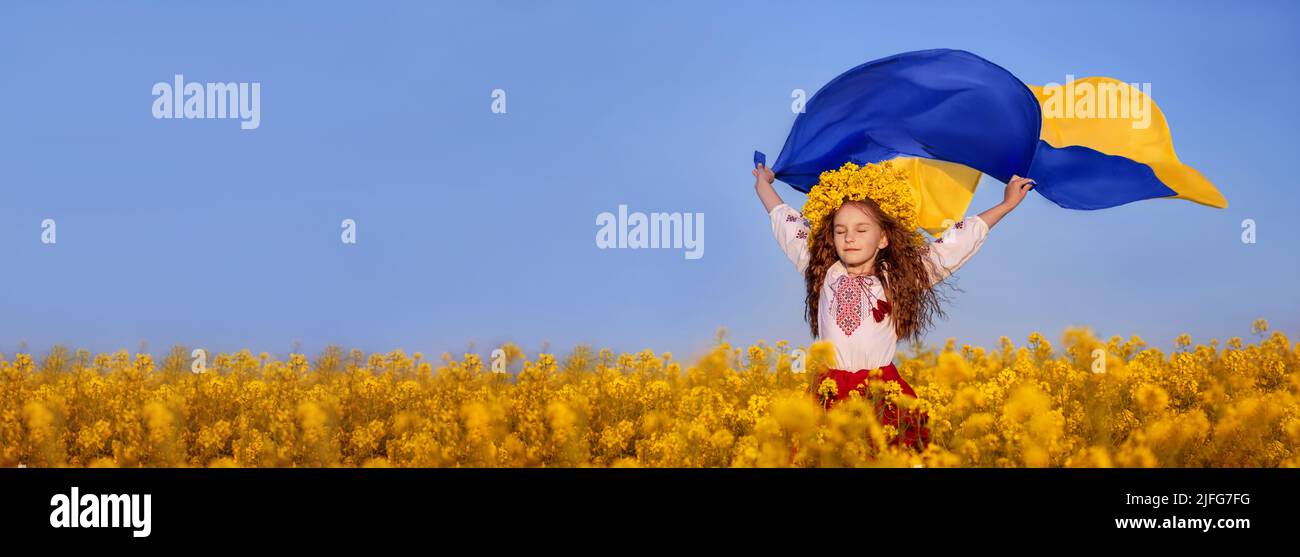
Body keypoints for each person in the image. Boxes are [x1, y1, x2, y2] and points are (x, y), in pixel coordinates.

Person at [754, 159, 1035, 452]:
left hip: (882, 393)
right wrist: (763, 183)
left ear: (883, 238)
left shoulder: (899, 277)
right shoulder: (821, 271)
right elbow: (786, 222)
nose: (850, 237)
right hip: (829, 392)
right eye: (840, 231)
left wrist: (1005, 206)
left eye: (862, 230)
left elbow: (953, 244)